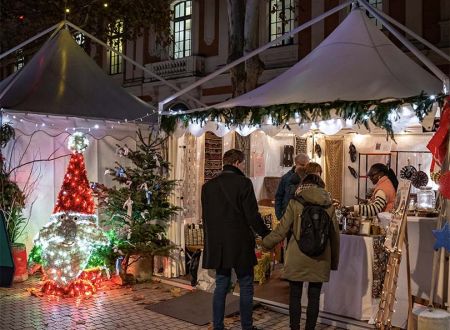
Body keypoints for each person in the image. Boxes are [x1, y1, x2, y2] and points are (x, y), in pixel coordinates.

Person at [201, 149, 270, 330]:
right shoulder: (243, 183)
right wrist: (266, 234)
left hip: (219, 244)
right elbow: (252, 215)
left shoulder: (208, 187)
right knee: (246, 284)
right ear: (238, 163)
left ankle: (218, 326)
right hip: (239, 242)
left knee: (222, 284)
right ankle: (246, 327)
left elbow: (206, 218)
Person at [262, 174, 340, 330]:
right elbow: (334, 237)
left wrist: (265, 244)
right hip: (321, 257)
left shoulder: (295, 202)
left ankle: (294, 327)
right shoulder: (329, 205)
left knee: (295, 296)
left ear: (304, 185)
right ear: (321, 187)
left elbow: (281, 230)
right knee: (314, 297)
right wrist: (333, 262)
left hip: (297, 256)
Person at [275, 153, 310, 220]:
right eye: (302, 165)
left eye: (307, 165)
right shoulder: (286, 178)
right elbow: (279, 196)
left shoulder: (310, 177)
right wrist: (279, 215)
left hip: (304, 217)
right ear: (296, 163)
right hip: (287, 216)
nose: (305, 167)